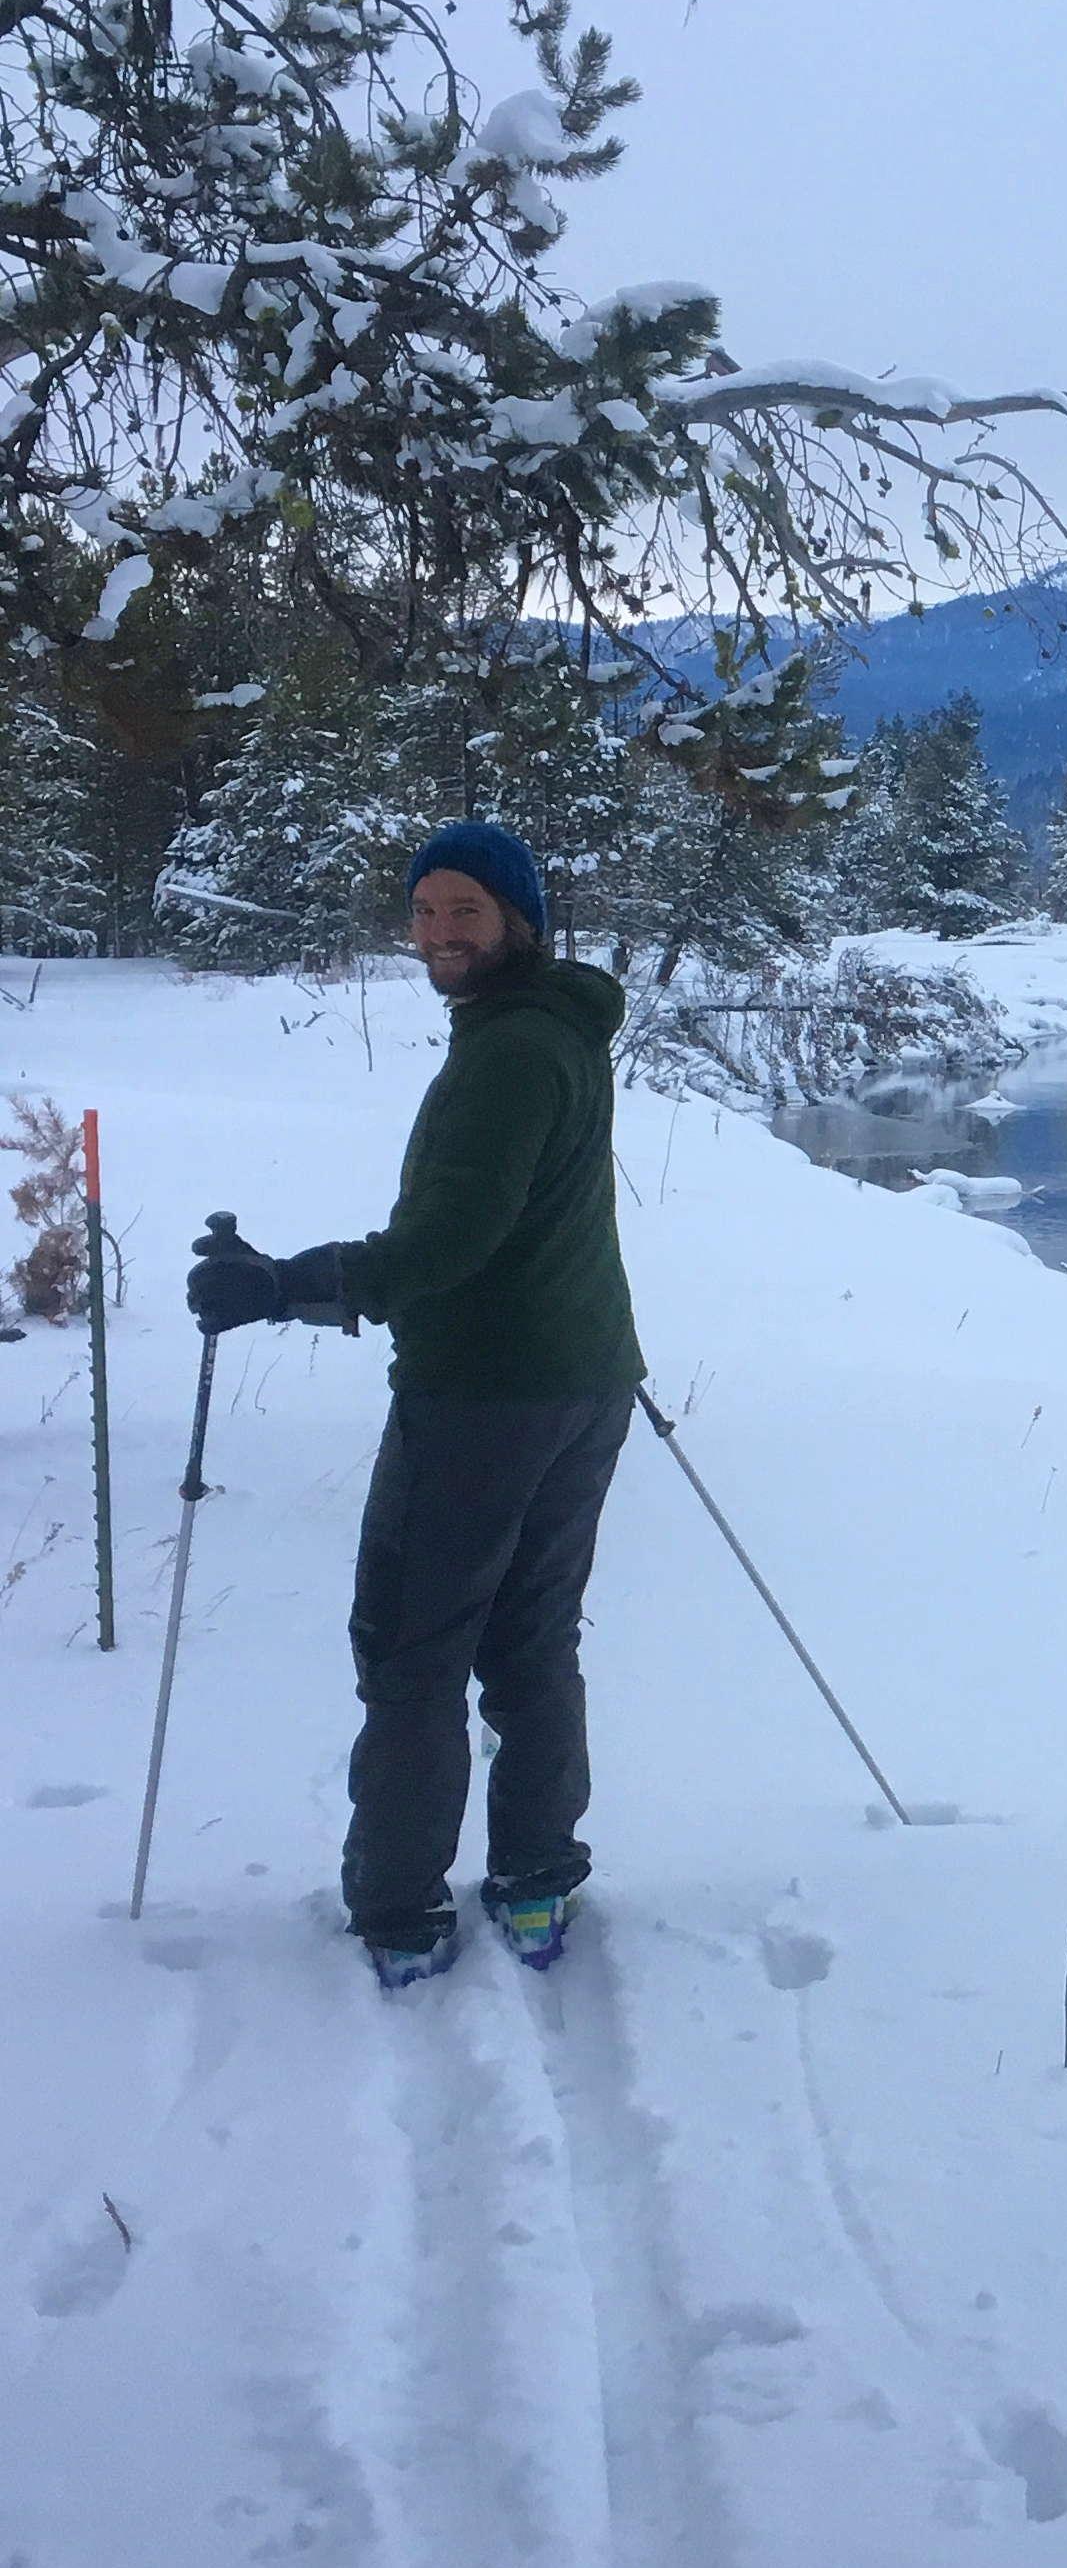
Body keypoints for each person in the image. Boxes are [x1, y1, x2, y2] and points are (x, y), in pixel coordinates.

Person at [186, 822, 644, 1990]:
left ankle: (399, 1906)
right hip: (584, 1382)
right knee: (533, 1640)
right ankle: (537, 1873)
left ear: (519, 922)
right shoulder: (554, 1030)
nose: (440, 933)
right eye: (427, 911)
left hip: (486, 1396)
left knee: (415, 1649)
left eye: (466, 913)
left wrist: (287, 1285)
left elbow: (452, 1236)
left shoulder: (508, 1053)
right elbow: (538, 1213)